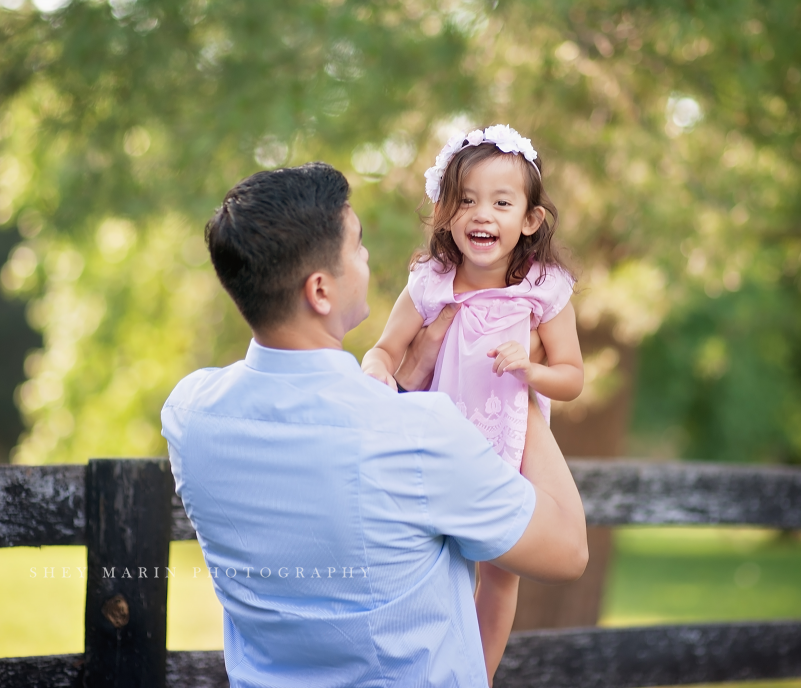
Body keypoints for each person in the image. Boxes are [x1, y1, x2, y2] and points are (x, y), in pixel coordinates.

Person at [160, 162, 588, 688]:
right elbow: (568, 550)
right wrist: (518, 394)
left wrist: (406, 378)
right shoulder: (421, 434)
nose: (367, 259)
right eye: (357, 246)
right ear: (321, 291)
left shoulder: (188, 413)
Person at [360, 125, 585, 682]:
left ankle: (477, 677)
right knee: (439, 564)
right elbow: (387, 347)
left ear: (529, 219)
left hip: (509, 437)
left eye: (501, 202)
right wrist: (376, 371)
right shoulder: (432, 282)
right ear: (445, 212)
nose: (482, 214)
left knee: (501, 573)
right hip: (441, 440)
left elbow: (573, 376)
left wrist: (530, 369)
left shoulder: (542, 287)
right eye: (466, 200)